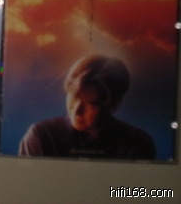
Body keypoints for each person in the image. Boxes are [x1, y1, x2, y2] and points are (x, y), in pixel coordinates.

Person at [19, 55, 155, 159]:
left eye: (91, 104)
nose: (76, 111)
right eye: (73, 97)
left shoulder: (138, 143)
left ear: (114, 105)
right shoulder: (41, 136)